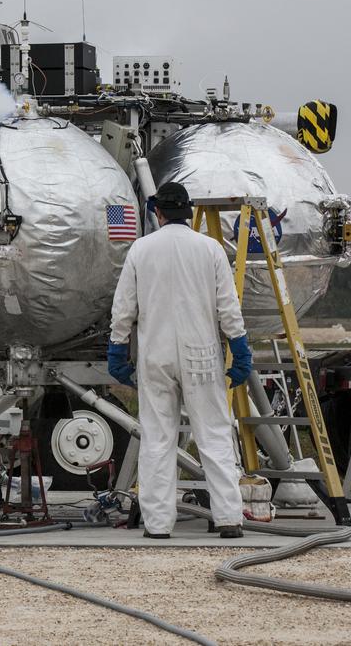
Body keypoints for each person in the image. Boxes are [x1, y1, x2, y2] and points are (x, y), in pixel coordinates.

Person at [107, 182, 253, 539]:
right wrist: (241, 347)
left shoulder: (141, 249)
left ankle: (158, 525)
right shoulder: (210, 249)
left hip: (155, 357)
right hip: (201, 355)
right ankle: (229, 519)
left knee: (157, 440)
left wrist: (117, 350)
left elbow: (124, 308)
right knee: (215, 436)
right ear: (187, 212)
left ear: (158, 213)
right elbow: (227, 307)